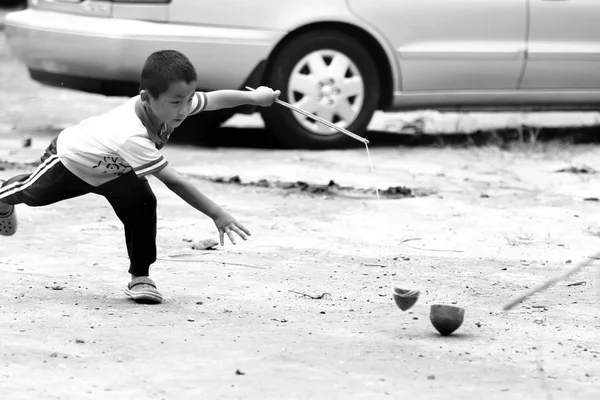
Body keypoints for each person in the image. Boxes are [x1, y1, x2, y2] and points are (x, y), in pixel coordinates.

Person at [0, 49, 280, 304]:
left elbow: (214, 100)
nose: (184, 109)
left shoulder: (171, 106)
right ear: (146, 98)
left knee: (143, 204)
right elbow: (175, 181)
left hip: (116, 171)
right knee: (31, 194)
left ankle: (140, 276)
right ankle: (3, 195)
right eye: (176, 102)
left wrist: (254, 98)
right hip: (73, 162)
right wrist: (217, 214)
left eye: (189, 99)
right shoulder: (132, 134)